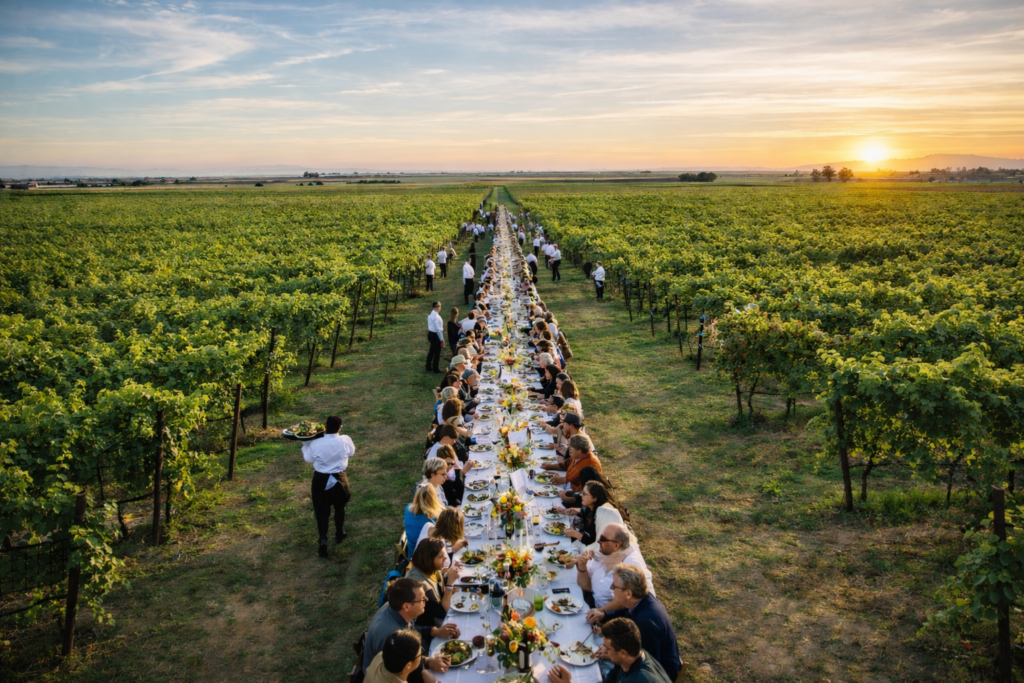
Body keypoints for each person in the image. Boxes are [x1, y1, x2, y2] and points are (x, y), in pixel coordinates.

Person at [586, 565, 682, 682]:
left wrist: (612, 655)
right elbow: (627, 612)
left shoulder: (645, 622)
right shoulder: (641, 600)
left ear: (628, 593)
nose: (612, 591)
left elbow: (647, 662)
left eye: (614, 587)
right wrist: (604, 615)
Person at [362, 578, 456, 681]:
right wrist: (426, 663)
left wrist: (433, 631)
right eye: (422, 599)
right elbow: (399, 671)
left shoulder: (396, 608)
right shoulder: (391, 636)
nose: (427, 599)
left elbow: (409, 629)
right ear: (406, 606)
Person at [547, 617, 671, 683]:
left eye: (607, 647)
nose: (603, 650)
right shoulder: (630, 657)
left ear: (622, 653)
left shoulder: (637, 679)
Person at [301, 415, 354, 557]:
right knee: (340, 507)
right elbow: (352, 452)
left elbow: (308, 459)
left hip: (321, 480)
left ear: (325, 427)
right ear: (340, 428)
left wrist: (305, 443)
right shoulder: (344, 440)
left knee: (322, 510)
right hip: (340, 478)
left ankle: (323, 538)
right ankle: (339, 532)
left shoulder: (316, 443)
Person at [575, 524, 655, 609]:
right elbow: (587, 586)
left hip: (610, 617)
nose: (598, 541)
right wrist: (582, 566)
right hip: (591, 604)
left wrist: (601, 612)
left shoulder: (632, 565)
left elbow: (637, 601)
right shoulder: (603, 554)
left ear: (616, 545)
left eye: (602, 538)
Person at [405, 539, 463, 649]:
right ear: (429, 559)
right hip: (425, 635)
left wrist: (449, 572)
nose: (445, 559)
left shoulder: (426, 568)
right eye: (440, 557)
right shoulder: (422, 588)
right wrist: (450, 584)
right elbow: (442, 612)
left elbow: (440, 577)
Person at [404, 485, 444, 552]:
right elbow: (440, 539)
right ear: (433, 500)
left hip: (411, 549)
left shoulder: (407, 508)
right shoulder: (431, 519)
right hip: (423, 556)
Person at [426, 301, 444, 373]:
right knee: (437, 352)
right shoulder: (436, 316)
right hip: (435, 334)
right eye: (438, 306)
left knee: (432, 350)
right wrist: (442, 339)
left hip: (430, 334)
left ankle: (428, 366)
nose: (439, 307)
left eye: (440, 305)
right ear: (434, 307)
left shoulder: (431, 315)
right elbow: (438, 329)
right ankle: (436, 368)